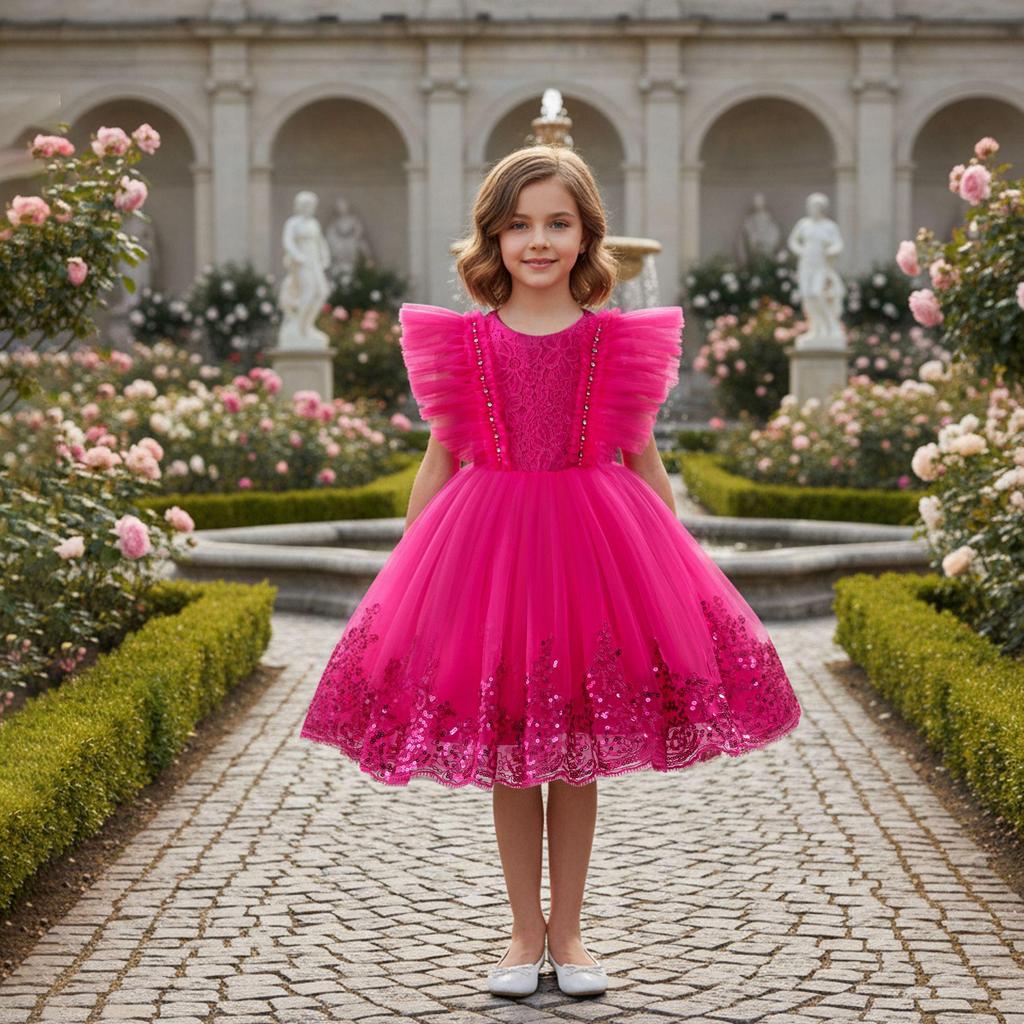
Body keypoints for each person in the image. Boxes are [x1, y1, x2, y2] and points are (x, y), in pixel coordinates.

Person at [299, 145, 803, 1000]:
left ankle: (568, 932)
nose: (538, 240)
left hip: (592, 550)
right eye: (519, 224)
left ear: (585, 236)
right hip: (489, 547)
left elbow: (644, 460)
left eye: (557, 224)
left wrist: (673, 576)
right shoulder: (467, 343)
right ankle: (520, 931)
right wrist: (410, 578)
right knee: (509, 753)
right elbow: (441, 457)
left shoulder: (613, 341)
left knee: (575, 750)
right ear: (492, 238)